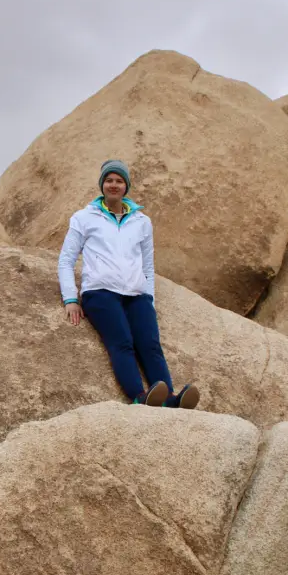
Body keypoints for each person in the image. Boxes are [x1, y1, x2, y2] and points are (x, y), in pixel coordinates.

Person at [58, 159, 199, 408]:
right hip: (100, 293)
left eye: (119, 181)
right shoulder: (84, 218)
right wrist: (70, 298)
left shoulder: (141, 221)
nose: (114, 185)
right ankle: (140, 396)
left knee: (150, 345)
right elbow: (66, 260)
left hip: (136, 294)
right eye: (109, 180)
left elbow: (148, 266)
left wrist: (150, 300)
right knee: (122, 342)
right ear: (102, 185)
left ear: (126, 186)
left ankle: (169, 399)